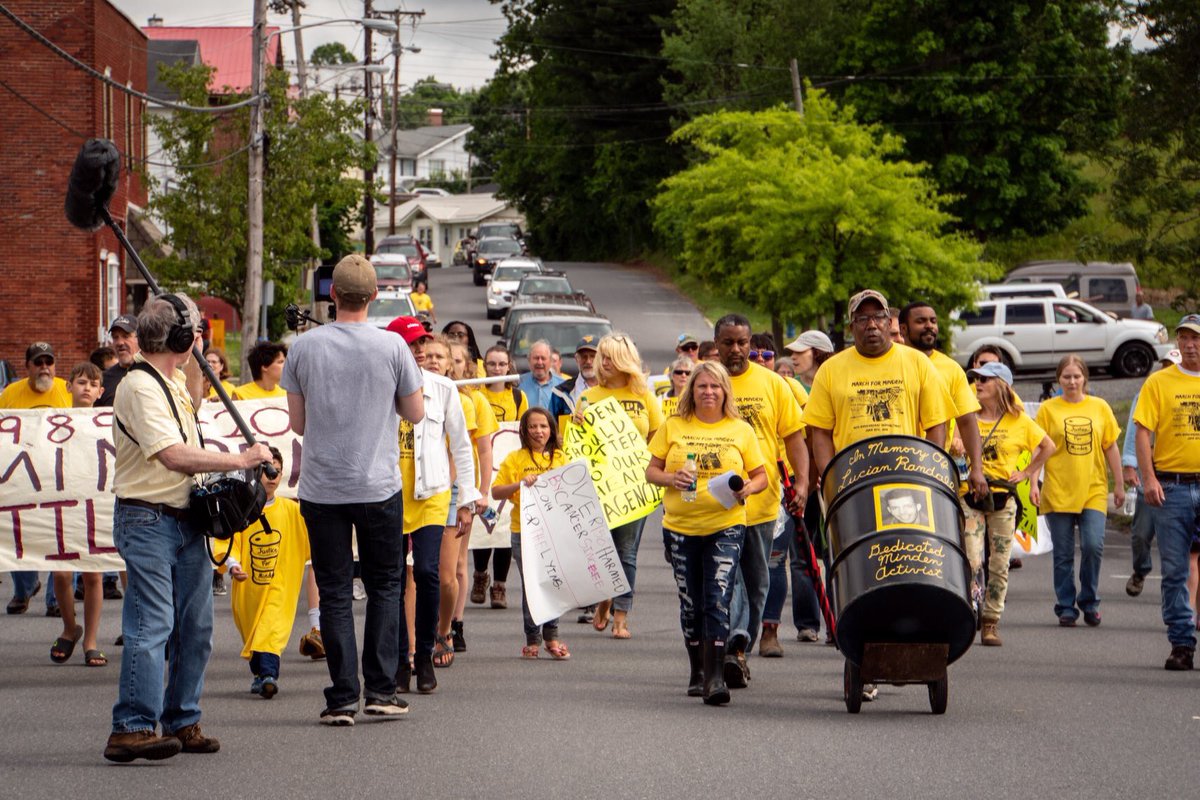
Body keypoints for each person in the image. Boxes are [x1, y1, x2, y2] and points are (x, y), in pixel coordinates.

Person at [104, 293, 273, 763]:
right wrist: (241, 459)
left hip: (185, 518)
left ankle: (182, 718)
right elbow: (172, 454)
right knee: (152, 623)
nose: (199, 337)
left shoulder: (171, 377)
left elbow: (193, 406)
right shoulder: (138, 386)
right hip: (147, 517)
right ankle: (132, 726)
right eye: (193, 330)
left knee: (196, 627)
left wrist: (193, 354)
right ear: (179, 336)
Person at [280, 255, 425, 726]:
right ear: (375, 296)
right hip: (378, 482)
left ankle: (342, 697)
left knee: (336, 590)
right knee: (386, 585)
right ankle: (381, 690)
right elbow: (416, 413)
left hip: (323, 486)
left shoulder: (304, 347)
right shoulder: (393, 347)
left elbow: (298, 425)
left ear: (331, 295)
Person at [804, 290, 956, 697]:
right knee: (860, 568)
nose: (871, 325)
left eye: (878, 318)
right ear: (851, 326)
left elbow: (936, 423)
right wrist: (828, 478)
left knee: (913, 562)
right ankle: (861, 653)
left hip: (907, 482)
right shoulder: (833, 370)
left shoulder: (917, 364)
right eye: (862, 319)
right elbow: (819, 431)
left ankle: (923, 637)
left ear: (891, 322)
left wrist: (932, 473)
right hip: (854, 486)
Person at [646, 361, 768, 705]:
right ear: (692, 391)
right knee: (691, 603)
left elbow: (761, 476)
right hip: (681, 528)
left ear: (725, 391)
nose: (709, 392)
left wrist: (748, 488)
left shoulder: (740, 429)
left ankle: (716, 678)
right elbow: (651, 472)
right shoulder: (673, 426)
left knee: (717, 598)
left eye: (715, 387)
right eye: (702, 386)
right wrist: (672, 478)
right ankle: (697, 671)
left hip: (726, 525)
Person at [711, 314, 808, 685]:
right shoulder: (705, 383)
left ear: (751, 344)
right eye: (728, 343)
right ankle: (732, 645)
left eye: (742, 343)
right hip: (716, 504)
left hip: (762, 502)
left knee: (757, 581)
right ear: (716, 344)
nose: (735, 350)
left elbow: (795, 437)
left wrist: (801, 484)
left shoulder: (773, 384)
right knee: (728, 578)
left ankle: (741, 650)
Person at [385, 319, 478, 694]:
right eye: (411, 343)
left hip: (433, 494)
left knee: (426, 572)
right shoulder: (380, 386)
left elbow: (461, 445)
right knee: (390, 581)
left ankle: (424, 654)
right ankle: (398, 660)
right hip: (388, 495)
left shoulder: (442, 388)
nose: (420, 349)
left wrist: (468, 498)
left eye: (423, 341)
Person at [962, 361, 1055, 646]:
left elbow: (1048, 446)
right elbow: (953, 440)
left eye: (985, 380)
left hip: (1003, 497)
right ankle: (972, 608)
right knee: (972, 557)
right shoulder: (967, 418)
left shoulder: (1020, 421)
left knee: (1000, 562)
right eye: (976, 379)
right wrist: (955, 444)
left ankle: (991, 621)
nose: (978, 384)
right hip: (969, 495)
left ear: (1001, 386)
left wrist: (1026, 473)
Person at [580, 333, 664, 639]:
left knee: (627, 551)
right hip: (601, 486)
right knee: (603, 550)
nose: (605, 362)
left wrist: (646, 466)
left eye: (612, 356)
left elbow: (657, 435)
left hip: (635, 486)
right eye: (603, 356)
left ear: (626, 360)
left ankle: (621, 615)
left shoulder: (644, 396)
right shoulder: (589, 397)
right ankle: (604, 597)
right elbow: (580, 443)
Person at [1035, 354, 1124, 628]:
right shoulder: (1048, 410)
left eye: (1076, 376)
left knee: (1092, 545)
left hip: (1093, 489)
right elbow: (1038, 448)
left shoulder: (1100, 407)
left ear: (1085, 378)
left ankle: (1090, 600)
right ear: (1058, 380)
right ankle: (1065, 606)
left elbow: (1110, 446)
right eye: (1066, 377)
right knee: (1062, 555)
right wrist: (1032, 484)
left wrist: (1119, 484)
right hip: (1058, 490)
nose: (1072, 381)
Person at [1134, 314, 1200, 670]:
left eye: (1196, 338)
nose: (1190, 344)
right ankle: (1182, 643)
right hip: (1172, 486)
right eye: (1184, 338)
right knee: (1175, 569)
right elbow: (1143, 432)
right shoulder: (1159, 383)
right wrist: (1149, 479)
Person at [223, 446, 309, 699]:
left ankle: (269, 674)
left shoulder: (293, 510)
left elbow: (313, 539)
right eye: (267, 471)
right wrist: (232, 564)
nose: (272, 476)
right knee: (254, 632)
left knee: (271, 629)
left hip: (280, 586)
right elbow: (229, 542)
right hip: (249, 587)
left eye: (277, 471)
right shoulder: (241, 509)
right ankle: (260, 674)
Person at [492, 407, 571, 659]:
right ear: (524, 431)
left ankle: (552, 636)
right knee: (532, 584)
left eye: (544, 426)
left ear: (552, 429)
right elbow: (496, 492)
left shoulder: (561, 457)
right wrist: (519, 484)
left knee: (552, 582)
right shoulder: (515, 459)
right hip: (523, 531)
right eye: (533, 427)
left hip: (554, 531)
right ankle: (533, 638)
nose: (539, 431)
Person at [1, 342, 71, 615]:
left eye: (49, 363)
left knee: (64, 537)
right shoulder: (10, 394)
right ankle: (24, 588)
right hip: (22, 478)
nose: (45, 368)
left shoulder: (67, 390)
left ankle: (56, 600)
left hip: (60, 476)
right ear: (27, 366)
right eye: (38, 363)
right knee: (19, 533)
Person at [899, 301, 989, 502]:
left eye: (933, 321)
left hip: (937, 467)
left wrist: (977, 467)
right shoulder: (892, 364)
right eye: (921, 321)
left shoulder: (951, 368)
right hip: (898, 466)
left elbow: (967, 421)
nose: (929, 326)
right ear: (903, 329)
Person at [49, 362, 107, 667]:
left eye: (92, 384)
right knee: (60, 572)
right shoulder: (51, 421)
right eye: (81, 382)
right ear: (68, 386)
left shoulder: (106, 421)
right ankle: (70, 627)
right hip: (61, 502)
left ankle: (91, 640)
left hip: (94, 504)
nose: (86, 387)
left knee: (93, 574)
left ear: (100, 392)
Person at [445, 340, 497, 654]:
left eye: (458, 360)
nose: (453, 365)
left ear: (468, 366)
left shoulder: (475, 401)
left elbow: (485, 448)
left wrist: (483, 490)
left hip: (462, 490)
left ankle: (456, 622)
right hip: (430, 491)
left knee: (459, 565)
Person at [1121, 348, 1181, 597]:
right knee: (1142, 532)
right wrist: (1129, 465)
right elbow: (1136, 432)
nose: (1169, 369)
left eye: (1173, 365)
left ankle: (1179, 587)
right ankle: (1141, 569)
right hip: (1151, 471)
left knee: (1183, 538)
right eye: (1166, 364)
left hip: (1182, 474)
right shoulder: (1149, 391)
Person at [474, 345, 527, 609]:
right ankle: (480, 574)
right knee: (484, 523)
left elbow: (523, 431)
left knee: (504, 527)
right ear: (484, 366)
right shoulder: (476, 395)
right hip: (482, 468)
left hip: (507, 469)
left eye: (501, 364)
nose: (496, 369)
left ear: (509, 367)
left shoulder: (518, 398)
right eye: (491, 364)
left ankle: (500, 585)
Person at [548, 335, 600, 427]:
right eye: (584, 357)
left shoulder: (611, 388)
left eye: (593, 356)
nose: (588, 361)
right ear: (577, 359)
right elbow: (551, 427)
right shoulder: (560, 393)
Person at [96, 314, 139, 406]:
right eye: (115, 337)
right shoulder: (103, 379)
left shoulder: (153, 373)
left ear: (139, 339)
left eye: (126, 336)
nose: (120, 342)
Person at [518, 340, 565, 409]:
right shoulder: (519, 384)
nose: (540, 362)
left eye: (543, 358)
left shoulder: (562, 385)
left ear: (550, 361)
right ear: (529, 360)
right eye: (536, 358)